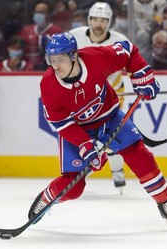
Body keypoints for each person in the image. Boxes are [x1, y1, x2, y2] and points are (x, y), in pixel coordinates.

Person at [28, 32, 167, 230]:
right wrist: (86, 145)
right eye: (52, 60)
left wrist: (142, 75)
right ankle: (47, 198)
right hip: (77, 129)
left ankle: (165, 203)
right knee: (74, 187)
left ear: (74, 55)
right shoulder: (49, 84)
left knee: (139, 155)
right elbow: (61, 123)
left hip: (110, 118)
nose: (56, 66)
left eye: (60, 59)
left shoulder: (96, 57)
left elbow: (128, 50)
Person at [69, 2, 129, 193]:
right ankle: (81, 167)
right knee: (83, 136)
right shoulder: (75, 36)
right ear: (89, 20)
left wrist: (142, 81)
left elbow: (134, 64)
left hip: (112, 97)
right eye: (94, 19)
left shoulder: (120, 40)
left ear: (109, 22)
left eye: (103, 20)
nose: (98, 24)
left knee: (112, 137)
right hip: (84, 98)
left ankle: (117, 169)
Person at [19, 1, 63, 70]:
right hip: (26, 70)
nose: (38, 15)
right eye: (36, 12)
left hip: (48, 68)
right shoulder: (26, 30)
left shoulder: (57, 31)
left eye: (41, 12)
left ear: (48, 14)